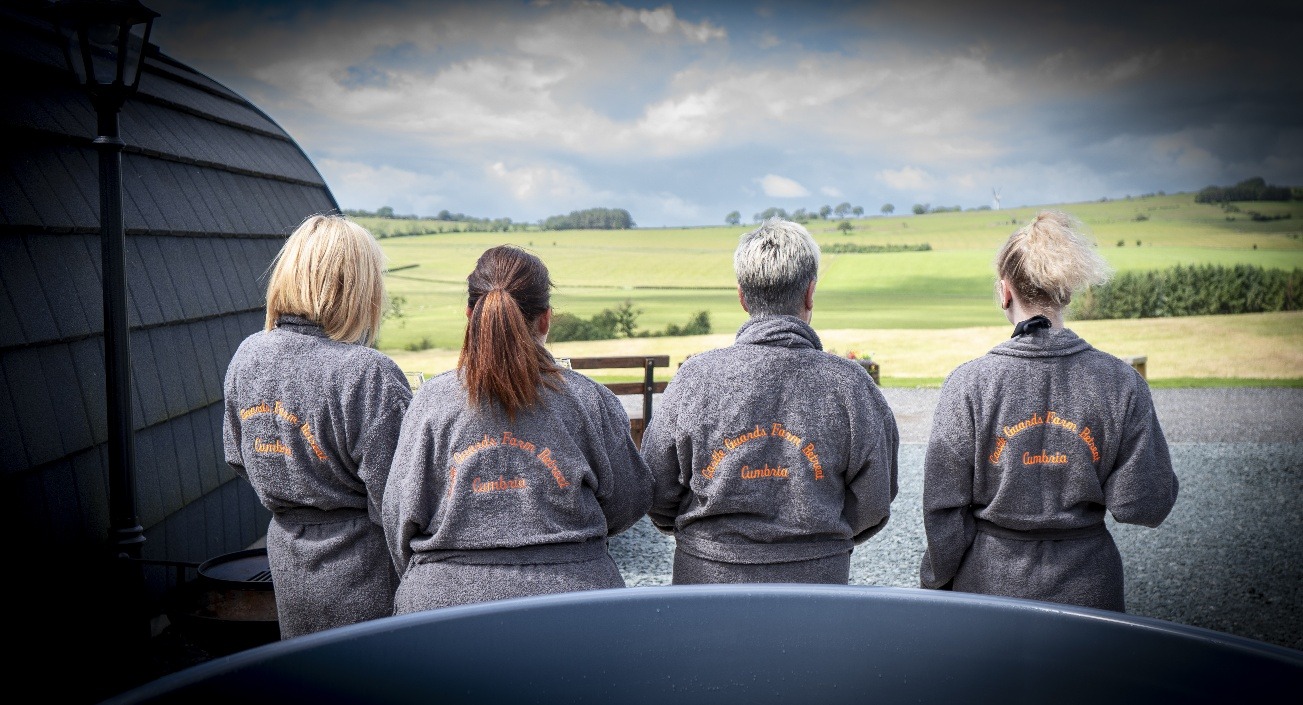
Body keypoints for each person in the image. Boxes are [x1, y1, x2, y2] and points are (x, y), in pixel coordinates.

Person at [919, 209, 1179, 612]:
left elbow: (942, 511)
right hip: (1091, 594)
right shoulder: (1121, 382)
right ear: (1066, 292)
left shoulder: (969, 383)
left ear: (1005, 292)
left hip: (987, 594)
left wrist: (935, 584)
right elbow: (1146, 503)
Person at [384, 245, 653, 612]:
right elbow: (629, 502)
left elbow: (398, 517)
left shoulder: (430, 402)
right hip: (577, 606)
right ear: (545, 320)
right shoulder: (589, 400)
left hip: (442, 612)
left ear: (469, 315)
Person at [640, 218, 900, 584]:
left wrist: (704, 536)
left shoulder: (694, 378)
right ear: (810, 293)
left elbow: (655, 486)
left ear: (742, 297)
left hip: (705, 583)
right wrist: (820, 538)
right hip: (818, 582)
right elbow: (874, 499)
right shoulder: (851, 384)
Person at [222, 214, 411, 638]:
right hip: (367, 576)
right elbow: (402, 501)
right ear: (356, 286)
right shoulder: (367, 373)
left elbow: (238, 458)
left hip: (290, 565)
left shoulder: (247, 356)